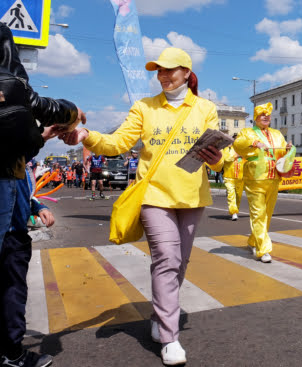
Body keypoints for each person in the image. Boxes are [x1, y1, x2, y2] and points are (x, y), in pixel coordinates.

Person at [60, 47, 223, 366]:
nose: (162, 75)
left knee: (180, 262)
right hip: (153, 195)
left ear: (186, 73)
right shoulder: (145, 108)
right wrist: (86, 136)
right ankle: (170, 336)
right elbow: (118, 143)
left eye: (169, 70)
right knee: (166, 258)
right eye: (158, 70)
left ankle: (160, 315)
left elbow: (219, 156)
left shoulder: (205, 108)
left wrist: (219, 160)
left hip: (191, 196)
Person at [1, 127, 71, 367]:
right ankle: (13, 355)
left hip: (15, 233)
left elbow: (23, 191)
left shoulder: (20, 157)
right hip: (9, 236)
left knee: (12, 294)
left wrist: (37, 206)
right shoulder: (11, 147)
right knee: (12, 295)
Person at [233, 102, 292, 263]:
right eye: (261, 115)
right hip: (255, 179)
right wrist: (254, 143)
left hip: (273, 178)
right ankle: (263, 249)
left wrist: (287, 149)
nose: (265, 117)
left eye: (267, 115)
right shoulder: (247, 132)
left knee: (267, 214)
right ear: (255, 118)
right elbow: (237, 144)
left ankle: (253, 241)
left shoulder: (277, 134)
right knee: (258, 214)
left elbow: (280, 153)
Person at [222, 135, 244, 221]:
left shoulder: (244, 151)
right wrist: (236, 155)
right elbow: (227, 159)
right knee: (231, 195)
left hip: (240, 178)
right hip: (229, 177)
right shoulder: (228, 149)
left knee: (238, 196)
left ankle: (235, 211)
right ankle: (234, 213)